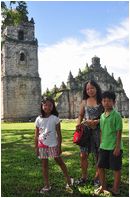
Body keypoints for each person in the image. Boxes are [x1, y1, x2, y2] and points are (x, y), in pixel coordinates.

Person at [35, 97, 73, 193]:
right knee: (44, 165)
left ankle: (69, 180)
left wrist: (59, 146)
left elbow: (59, 134)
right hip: (42, 146)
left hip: (53, 145)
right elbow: (36, 135)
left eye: (50, 105)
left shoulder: (55, 119)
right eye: (45, 105)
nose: (47, 107)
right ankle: (47, 185)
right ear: (42, 106)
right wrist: (36, 147)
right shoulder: (38, 119)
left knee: (60, 162)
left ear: (53, 107)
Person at [76, 80, 103, 186]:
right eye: (87, 89)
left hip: (99, 131)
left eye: (92, 88)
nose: (90, 90)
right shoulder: (84, 101)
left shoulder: (102, 100)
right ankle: (84, 177)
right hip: (86, 131)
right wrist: (78, 124)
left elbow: (107, 114)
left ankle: (97, 178)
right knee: (83, 155)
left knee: (98, 155)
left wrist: (98, 121)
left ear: (96, 88)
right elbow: (80, 115)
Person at [96, 91, 123, 196]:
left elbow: (119, 132)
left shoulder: (116, 115)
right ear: (101, 102)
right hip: (104, 146)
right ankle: (103, 186)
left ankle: (116, 188)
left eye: (109, 101)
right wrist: (101, 143)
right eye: (104, 100)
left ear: (114, 102)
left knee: (116, 168)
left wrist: (117, 147)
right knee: (100, 166)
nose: (106, 103)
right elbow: (102, 131)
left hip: (114, 147)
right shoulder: (102, 116)